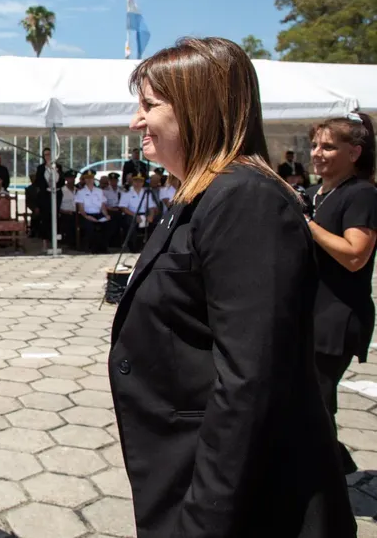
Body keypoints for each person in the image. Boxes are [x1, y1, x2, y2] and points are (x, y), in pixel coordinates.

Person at [109, 37, 355, 537]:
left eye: (150, 106)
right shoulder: (202, 194)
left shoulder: (246, 200)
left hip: (239, 499)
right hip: (192, 467)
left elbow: (251, 382)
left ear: (197, 109)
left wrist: (205, 519)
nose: (136, 121)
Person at [306, 111, 377, 475]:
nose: (317, 153)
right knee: (310, 404)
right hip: (308, 316)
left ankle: (328, 480)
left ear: (354, 152)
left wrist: (307, 224)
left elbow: (354, 255)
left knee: (315, 404)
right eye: (314, 145)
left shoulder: (361, 194)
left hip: (335, 319)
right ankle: (334, 469)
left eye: (329, 147)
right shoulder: (315, 194)